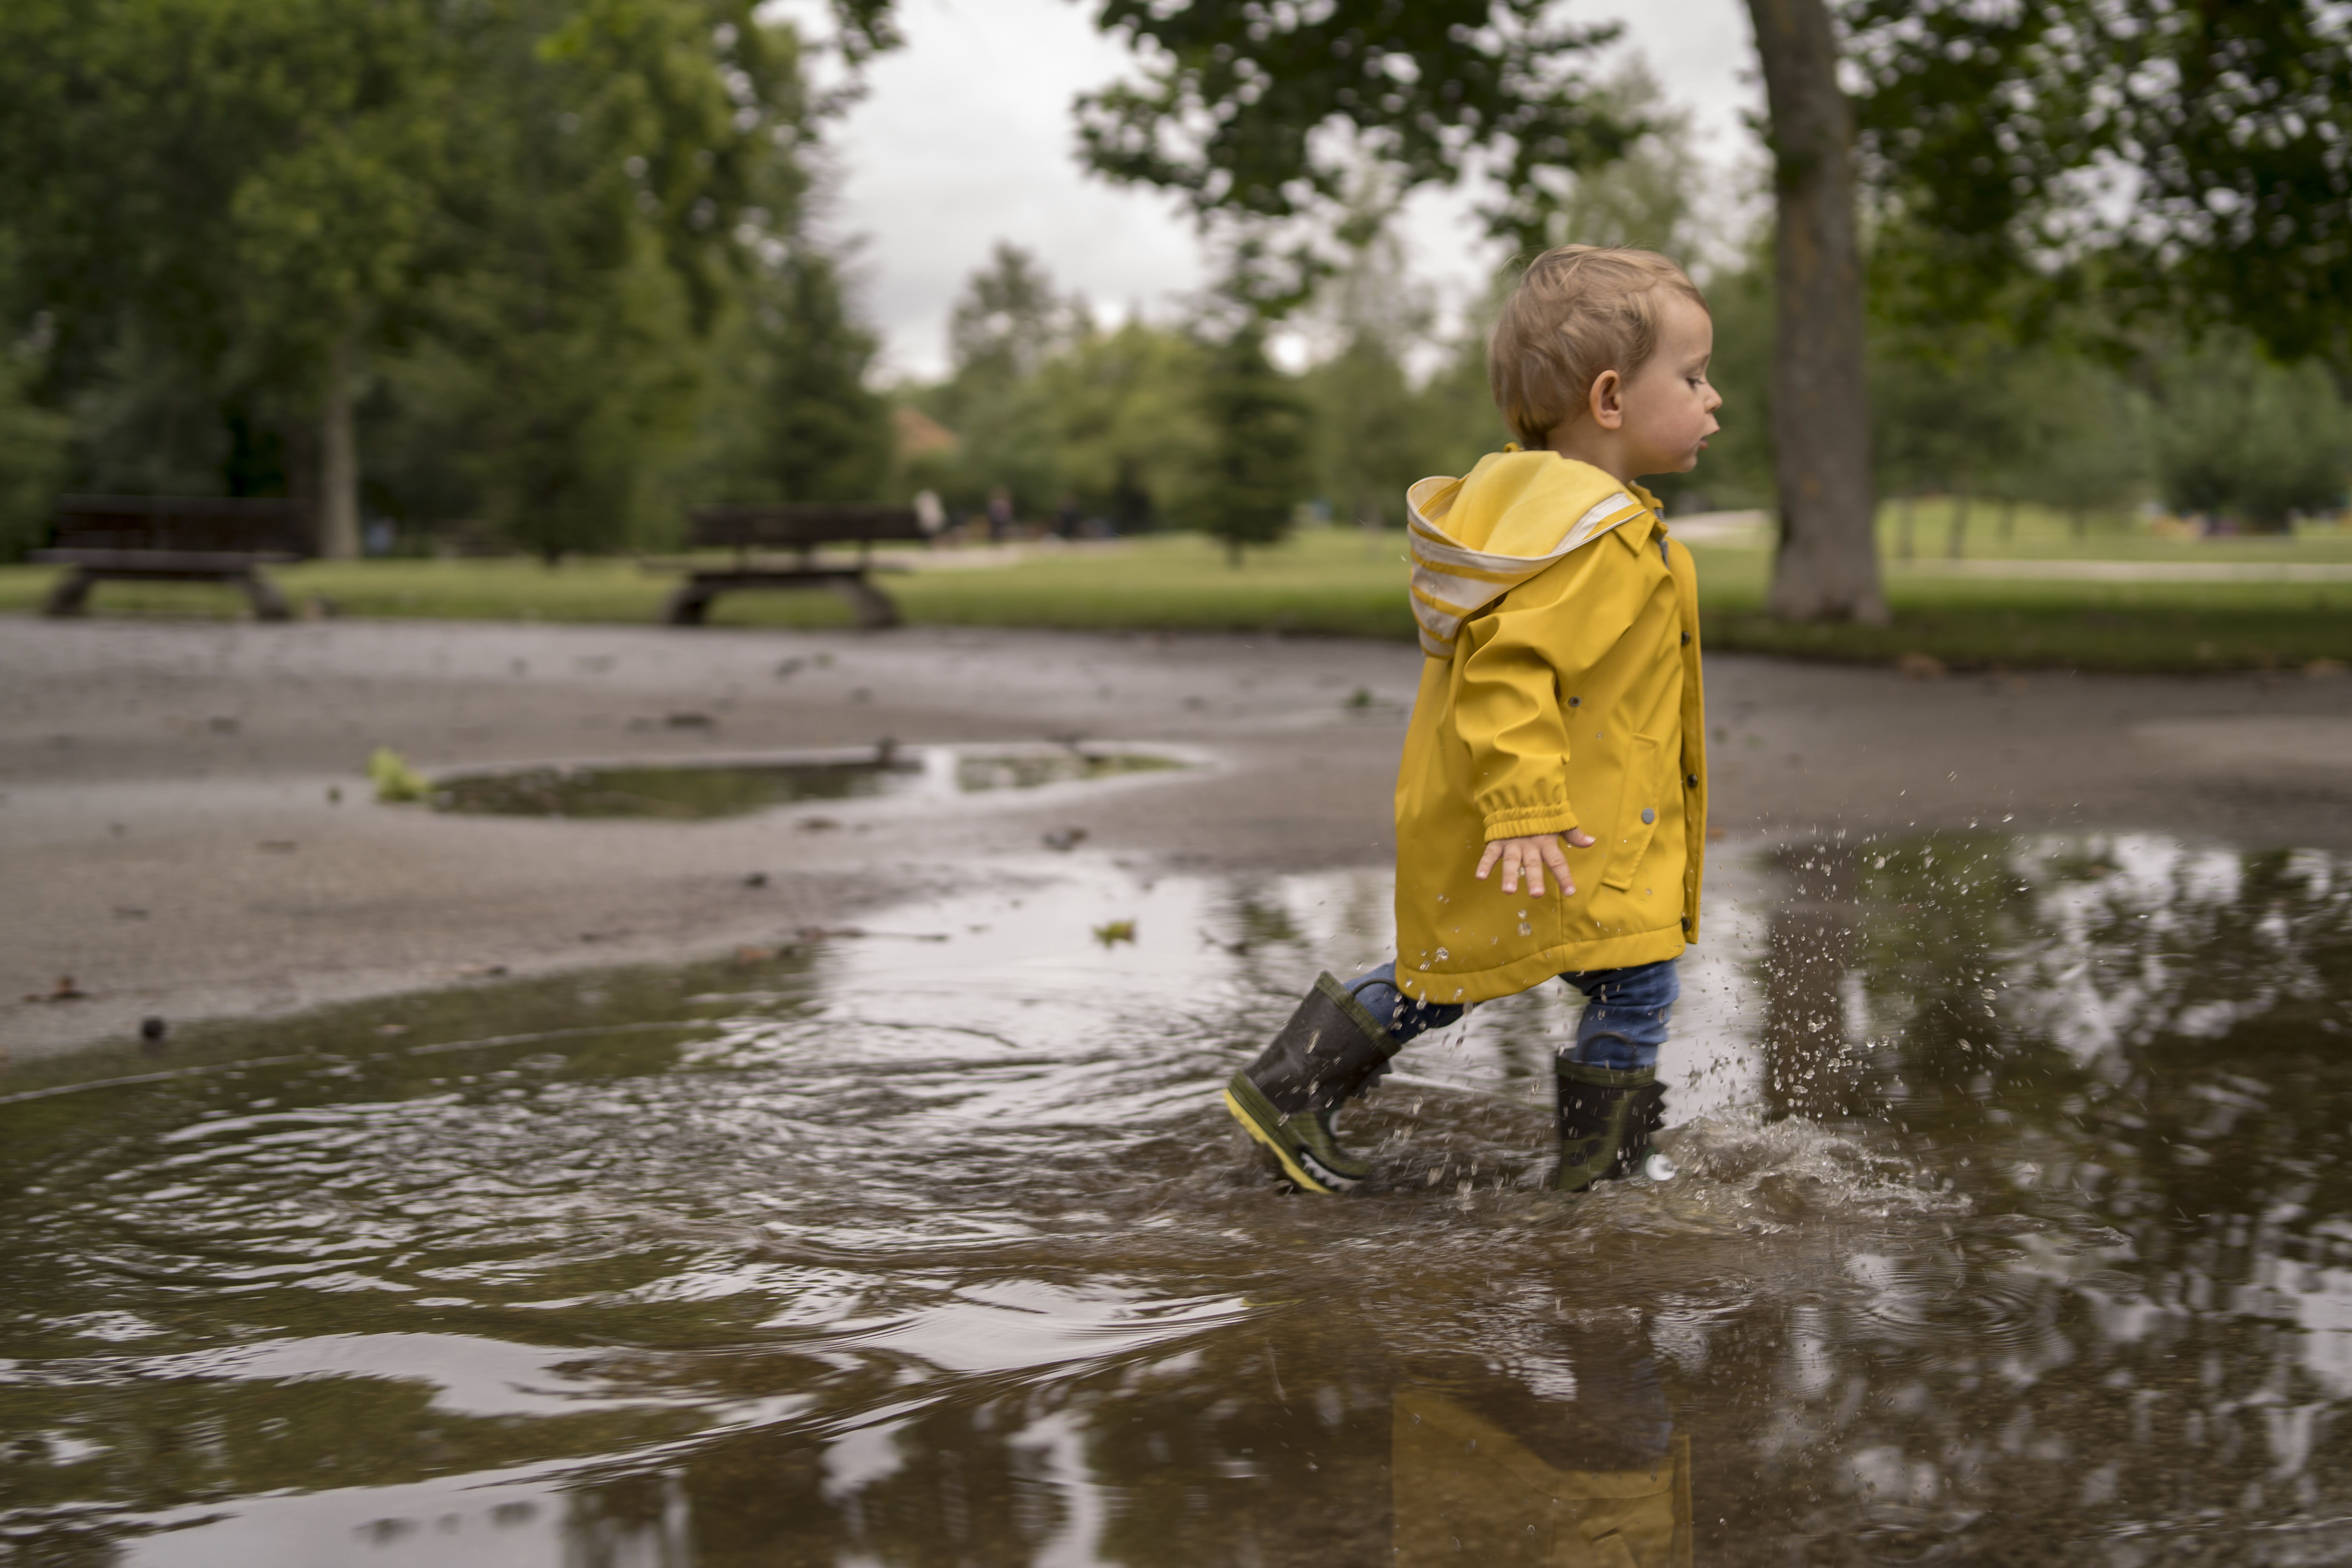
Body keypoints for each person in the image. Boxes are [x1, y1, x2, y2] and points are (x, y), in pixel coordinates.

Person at [1222, 245, 1720, 1195]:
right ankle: (1601, 1168)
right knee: (1472, 972)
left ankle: (1296, 1088)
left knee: (1521, 968)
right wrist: (1526, 804)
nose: (1713, 399)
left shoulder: (1531, 510)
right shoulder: (1597, 536)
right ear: (1609, 400)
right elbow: (1508, 668)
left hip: (1549, 817)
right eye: (1692, 377)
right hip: (1544, 825)